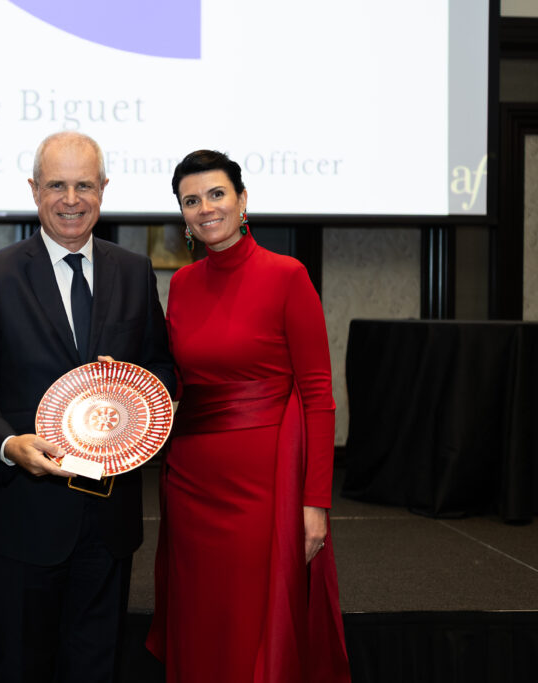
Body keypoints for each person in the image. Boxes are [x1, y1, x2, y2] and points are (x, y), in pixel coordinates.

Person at [0, 131, 175, 683]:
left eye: (84, 185)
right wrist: (8, 444)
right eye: (57, 184)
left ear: (104, 189)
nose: (71, 199)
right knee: (22, 665)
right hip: (26, 516)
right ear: (34, 190)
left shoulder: (133, 270)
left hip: (110, 517)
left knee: (96, 665)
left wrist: (141, 393)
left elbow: (163, 369)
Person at [145, 150, 350, 682]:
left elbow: (319, 395)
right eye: (191, 200)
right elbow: (180, 385)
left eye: (216, 194)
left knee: (253, 622)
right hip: (190, 483)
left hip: (264, 489)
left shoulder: (287, 276)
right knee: (201, 615)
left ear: (242, 201)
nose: (205, 208)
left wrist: (315, 503)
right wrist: (124, 390)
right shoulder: (183, 285)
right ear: (182, 215)